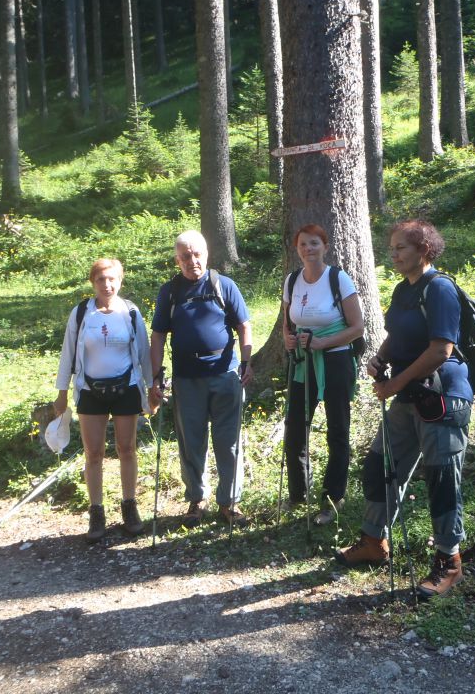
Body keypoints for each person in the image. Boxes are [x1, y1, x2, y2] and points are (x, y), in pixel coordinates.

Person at [335, 219, 473, 598]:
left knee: (443, 477)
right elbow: (397, 335)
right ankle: (374, 542)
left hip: (443, 397)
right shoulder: (403, 290)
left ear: (424, 249)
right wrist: (379, 359)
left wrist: (394, 383)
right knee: (380, 463)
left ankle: (450, 562)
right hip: (410, 396)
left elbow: (441, 349)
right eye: (392, 247)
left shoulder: (441, 288)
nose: (393, 254)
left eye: (401, 248)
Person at [149, 230, 255, 528]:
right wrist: (155, 376)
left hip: (225, 374)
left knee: (229, 441)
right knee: (191, 441)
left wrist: (246, 362)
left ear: (206, 254)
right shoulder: (169, 292)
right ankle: (197, 499)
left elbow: (244, 326)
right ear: (177, 260)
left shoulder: (224, 285)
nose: (191, 260)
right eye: (185, 256)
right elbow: (157, 336)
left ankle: (230, 502)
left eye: (196, 254)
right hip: (186, 378)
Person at [54, 258, 154, 543]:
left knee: (127, 448)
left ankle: (129, 507)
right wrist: (62, 393)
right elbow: (67, 355)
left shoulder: (131, 312)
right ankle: (96, 512)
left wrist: (151, 390)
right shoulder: (81, 314)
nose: (107, 285)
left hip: (127, 387)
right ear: (92, 282)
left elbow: (145, 354)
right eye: (101, 280)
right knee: (94, 453)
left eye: (112, 279)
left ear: (121, 280)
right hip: (89, 390)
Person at [281, 224, 364, 525]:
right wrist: (288, 339)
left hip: (336, 362)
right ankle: (298, 494)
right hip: (303, 362)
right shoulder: (292, 281)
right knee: (294, 429)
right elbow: (287, 324)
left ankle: (332, 498)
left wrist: (323, 342)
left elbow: (357, 327)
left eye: (314, 243)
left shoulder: (337, 278)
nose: (308, 249)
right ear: (297, 248)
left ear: (325, 246)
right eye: (303, 244)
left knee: (337, 430)